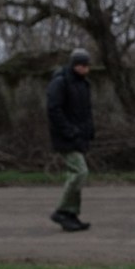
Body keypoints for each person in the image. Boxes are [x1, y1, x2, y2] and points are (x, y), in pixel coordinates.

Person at [47, 48, 95, 232]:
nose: (86, 68)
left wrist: (89, 131)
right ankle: (62, 211)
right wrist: (69, 131)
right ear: (75, 65)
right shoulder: (60, 82)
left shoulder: (83, 84)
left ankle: (71, 214)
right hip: (66, 137)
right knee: (80, 172)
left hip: (79, 136)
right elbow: (54, 110)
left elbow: (85, 111)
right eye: (83, 65)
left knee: (75, 175)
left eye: (87, 65)